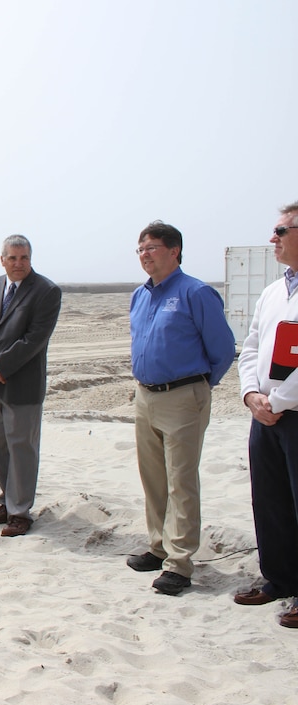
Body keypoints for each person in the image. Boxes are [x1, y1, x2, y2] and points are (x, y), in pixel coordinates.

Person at [128, 220, 234, 596]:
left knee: (181, 481)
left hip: (183, 397)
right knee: (153, 478)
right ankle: (158, 546)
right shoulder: (140, 296)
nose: (144, 255)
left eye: (152, 247)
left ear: (174, 251)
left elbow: (222, 350)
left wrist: (198, 388)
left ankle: (179, 563)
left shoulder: (195, 293)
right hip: (145, 397)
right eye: (140, 249)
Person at [0, 235, 62, 536]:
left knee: (21, 447)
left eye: (24, 258)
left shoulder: (46, 291)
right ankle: (7, 502)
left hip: (22, 384)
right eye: (13, 258)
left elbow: (35, 339)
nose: (19, 263)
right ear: (2, 260)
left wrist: (1, 366)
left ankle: (20, 512)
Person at [237, 201, 298, 625]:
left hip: (289, 412)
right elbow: (252, 346)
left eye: (281, 231)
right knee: (270, 500)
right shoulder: (273, 291)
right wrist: (251, 395)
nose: (272, 239)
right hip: (265, 416)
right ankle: (278, 578)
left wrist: (277, 402)